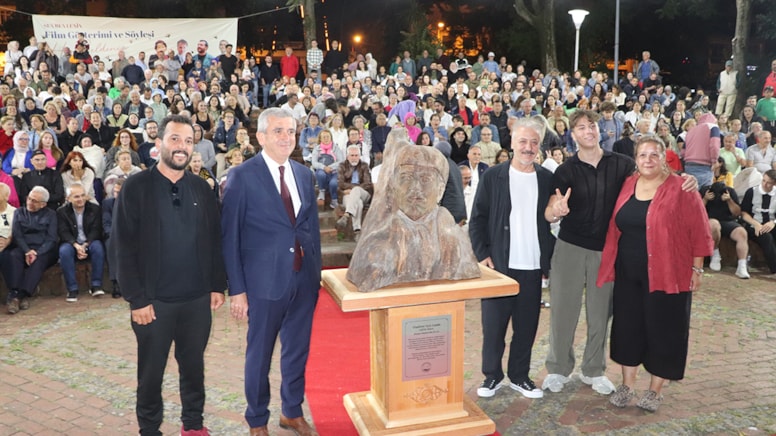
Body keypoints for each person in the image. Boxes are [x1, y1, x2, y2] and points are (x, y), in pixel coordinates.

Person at [113, 114, 227, 435]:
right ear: (158, 143)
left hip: (196, 300)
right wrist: (137, 299)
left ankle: (193, 425)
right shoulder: (136, 187)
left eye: (188, 141)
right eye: (175, 139)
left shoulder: (201, 188)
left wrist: (216, 285)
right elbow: (122, 247)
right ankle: (150, 429)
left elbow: (213, 239)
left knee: (194, 368)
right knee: (151, 374)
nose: (182, 146)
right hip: (153, 303)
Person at [221, 108, 322, 436]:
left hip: (302, 280)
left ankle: (291, 411)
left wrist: (315, 274)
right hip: (263, 284)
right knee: (259, 355)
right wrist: (237, 290)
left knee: (297, 350)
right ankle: (257, 419)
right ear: (261, 136)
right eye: (278, 131)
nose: (286, 137)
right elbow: (230, 237)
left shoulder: (303, 174)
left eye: (291, 131)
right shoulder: (241, 176)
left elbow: (310, 228)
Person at [597, 135, 712, 412]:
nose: (648, 160)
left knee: (665, 328)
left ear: (664, 158)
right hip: (628, 273)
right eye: (642, 155)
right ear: (635, 160)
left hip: (669, 272)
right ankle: (627, 385)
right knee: (627, 328)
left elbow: (699, 230)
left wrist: (697, 268)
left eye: (654, 154)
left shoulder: (681, 187)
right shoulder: (628, 184)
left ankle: (655, 390)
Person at [469, 117, 555, 399]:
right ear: (512, 143)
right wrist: (483, 254)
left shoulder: (546, 179)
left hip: (532, 266)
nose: (528, 147)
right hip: (499, 266)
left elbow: (551, 219)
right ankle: (491, 376)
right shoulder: (493, 177)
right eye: (523, 141)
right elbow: (477, 219)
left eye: (534, 142)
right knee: (493, 328)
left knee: (526, 327)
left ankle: (519, 376)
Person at [6, 186, 58, 314]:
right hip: (25, 247)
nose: (30, 202)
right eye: (29, 198)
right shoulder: (19, 212)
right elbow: (17, 235)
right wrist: (27, 251)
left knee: (39, 261)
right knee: (13, 255)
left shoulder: (51, 215)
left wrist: (37, 252)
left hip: (43, 249)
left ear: (43, 204)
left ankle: (19, 296)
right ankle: (16, 291)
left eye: (34, 201)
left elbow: (51, 239)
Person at [57, 183, 105, 302]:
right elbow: (63, 232)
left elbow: (96, 230)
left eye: (83, 195)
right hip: (71, 243)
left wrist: (85, 245)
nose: (81, 199)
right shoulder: (62, 212)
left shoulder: (95, 209)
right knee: (64, 251)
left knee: (98, 248)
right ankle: (72, 289)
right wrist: (76, 245)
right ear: (68, 198)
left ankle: (96, 285)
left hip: (89, 241)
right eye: (76, 196)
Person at [703, 181, 750, 278]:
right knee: (714, 225)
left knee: (742, 233)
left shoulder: (730, 191)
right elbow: (697, 210)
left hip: (727, 221)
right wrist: (705, 199)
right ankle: (715, 254)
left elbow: (737, 213)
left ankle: (742, 265)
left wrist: (729, 200)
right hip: (710, 220)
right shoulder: (705, 190)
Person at [740, 169, 776, 279]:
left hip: (771, 223)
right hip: (753, 225)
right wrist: (756, 224)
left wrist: (773, 222)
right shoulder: (751, 191)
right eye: (763, 181)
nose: (765, 184)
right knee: (766, 238)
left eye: (768, 183)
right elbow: (744, 213)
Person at [336, 145, 373, 240]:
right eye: (352, 155)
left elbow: (367, 184)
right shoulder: (342, 166)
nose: (354, 158)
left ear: (359, 156)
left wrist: (353, 189)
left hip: (363, 193)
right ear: (347, 156)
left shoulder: (364, 165)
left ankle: (346, 215)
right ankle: (357, 230)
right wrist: (351, 190)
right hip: (347, 194)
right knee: (358, 204)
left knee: (356, 190)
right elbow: (340, 183)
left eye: (356, 155)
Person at [683, 113, 720, 188]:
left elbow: (683, 151)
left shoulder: (691, 130)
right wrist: (714, 161)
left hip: (688, 165)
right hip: (704, 166)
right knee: (704, 193)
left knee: (690, 191)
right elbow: (714, 145)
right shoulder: (713, 127)